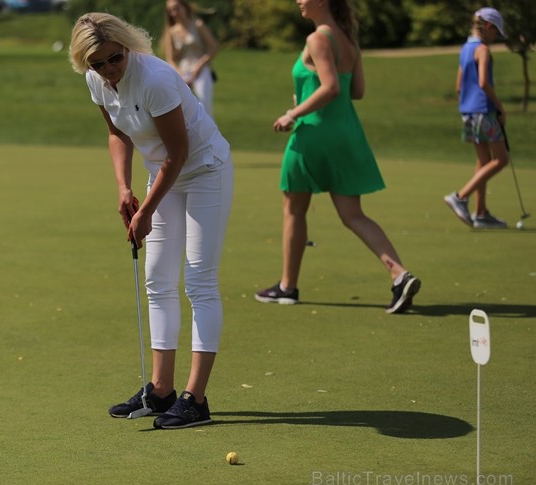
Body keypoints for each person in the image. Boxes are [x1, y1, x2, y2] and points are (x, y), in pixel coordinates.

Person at [69, 12, 233, 429]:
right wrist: (124, 189)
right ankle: (162, 391)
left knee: (199, 281)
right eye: (97, 64)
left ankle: (196, 400)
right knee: (157, 279)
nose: (108, 70)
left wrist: (146, 211)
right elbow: (117, 135)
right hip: (163, 173)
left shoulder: (156, 79)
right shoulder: (96, 80)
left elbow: (178, 153)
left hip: (204, 169)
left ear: (126, 49)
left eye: (114, 60)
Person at [254, 0, 421, 314]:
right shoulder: (348, 39)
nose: (299, 1)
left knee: (294, 209)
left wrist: (294, 112)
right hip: (346, 133)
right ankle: (399, 275)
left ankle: (287, 287)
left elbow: (330, 88)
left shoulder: (318, 38)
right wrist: (310, 91)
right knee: (353, 214)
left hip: (314, 135)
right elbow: (355, 91)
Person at [444, 7, 509, 229]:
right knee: (501, 159)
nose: (496, 37)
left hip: (468, 112)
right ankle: (460, 197)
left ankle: (481, 214)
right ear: (488, 27)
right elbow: (483, 82)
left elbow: (458, 86)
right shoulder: (482, 49)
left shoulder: (465, 48)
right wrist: (499, 107)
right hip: (483, 110)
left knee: (483, 161)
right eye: (496, 32)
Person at [163, 0, 219, 117]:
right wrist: (180, 75)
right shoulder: (172, 31)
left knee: (205, 108)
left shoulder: (197, 25)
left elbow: (213, 49)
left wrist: (198, 68)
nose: (174, 13)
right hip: (183, 72)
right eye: (171, 10)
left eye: (176, 8)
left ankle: (210, 134)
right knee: (185, 111)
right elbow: (170, 59)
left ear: (185, 7)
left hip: (201, 69)